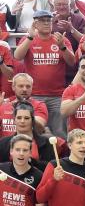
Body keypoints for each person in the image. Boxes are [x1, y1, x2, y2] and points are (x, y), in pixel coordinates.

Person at [13, 10, 76, 138]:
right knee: (34, 132)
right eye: (42, 21)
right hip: (33, 96)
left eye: (49, 20)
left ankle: (60, 152)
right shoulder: (28, 39)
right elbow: (17, 56)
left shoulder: (60, 39)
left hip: (57, 95)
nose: (47, 23)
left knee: (59, 133)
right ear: (35, 23)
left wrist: (62, 47)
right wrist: (30, 37)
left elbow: (72, 62)